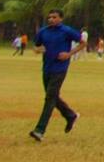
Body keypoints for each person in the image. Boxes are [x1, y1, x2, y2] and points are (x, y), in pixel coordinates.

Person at [29, 10, 84, 142]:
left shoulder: (67, 31)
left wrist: (68, 54)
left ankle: (39, 130)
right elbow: (36, 46)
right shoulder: (43, 31)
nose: (51, 19)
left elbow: (83, 43)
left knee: (49, 98)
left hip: (60, 69)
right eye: (49, 17)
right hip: (47, 68)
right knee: (52, 97)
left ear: (61, 19)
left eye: (54, 17)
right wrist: (38, 50)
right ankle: (71, 116)